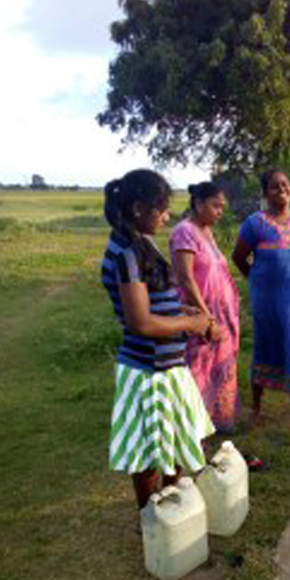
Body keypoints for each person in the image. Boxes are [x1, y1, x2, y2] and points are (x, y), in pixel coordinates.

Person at [101, 169, 214, 510]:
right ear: (138, 208)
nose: (167, 216)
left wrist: (186, 313)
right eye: (161, 209)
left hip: (167, 367)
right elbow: (142, 323)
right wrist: (191, 324)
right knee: (150, 451)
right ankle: (153, 517)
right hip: (148, 370)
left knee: (175, 439)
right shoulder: (126, 253)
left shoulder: (137, 243)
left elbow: (153, 301)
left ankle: (171, 506)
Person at [232, 170, 290, 418]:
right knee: (266, 346)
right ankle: (257, 409)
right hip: (268, 302)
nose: (281, 189)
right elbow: (238, 257)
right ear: (264, 193)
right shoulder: (255, 223)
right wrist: (258, 282)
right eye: (274, 186)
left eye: (285, 184)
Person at [169, 182, 240, 433]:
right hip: (200, 316)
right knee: (198, 370)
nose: (220, 211)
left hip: (222, 314)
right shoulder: (184, 232)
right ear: (198, 203)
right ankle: (193, 429)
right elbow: (186, 279)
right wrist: (207, 319)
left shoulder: (206, 231)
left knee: (219, 368)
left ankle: (217, 421)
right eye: (215, 205)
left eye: (222, 206)